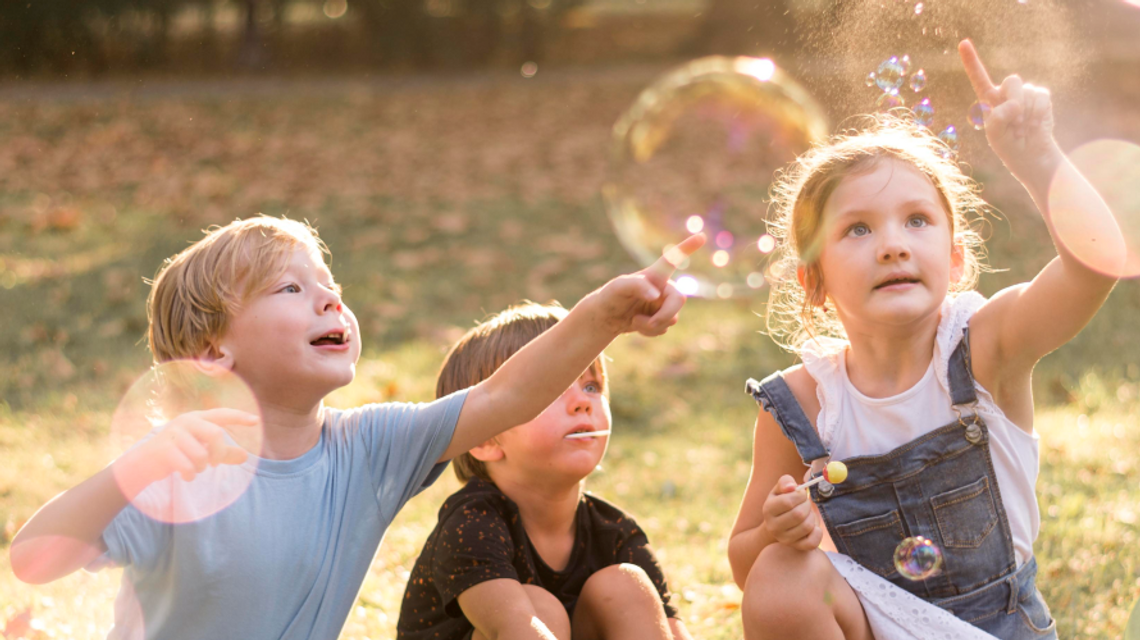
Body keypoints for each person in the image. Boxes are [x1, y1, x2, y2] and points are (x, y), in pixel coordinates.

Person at [9, 215, 704, 640]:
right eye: (291, 289)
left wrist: (602, 317)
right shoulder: (175, 473)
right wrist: (137, 468)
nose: (329, 298)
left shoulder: (370, 449)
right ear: (213, 352)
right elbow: (33, 558)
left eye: (328, 284)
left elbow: (508, 394)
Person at [727, 40, 1122, 640]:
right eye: (858, 228)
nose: (893, 244)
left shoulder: (985, 348)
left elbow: (1096, 265)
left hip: (995, 629)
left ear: (956, 257)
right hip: (885, 626)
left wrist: (1037, 157)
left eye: (917, 220)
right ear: (815, 280)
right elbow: (744, 563)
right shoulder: (803, 404)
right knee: (782, 576)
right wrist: (776, 532)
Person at [396, 301, 691, 640]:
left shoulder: (614, 533)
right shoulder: (472, 524)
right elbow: (517, 630)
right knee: (537, 609)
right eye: (550, 389)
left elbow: (673, 634)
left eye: (591, 386)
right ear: (484, 437)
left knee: (625, 586)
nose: (583, 401)